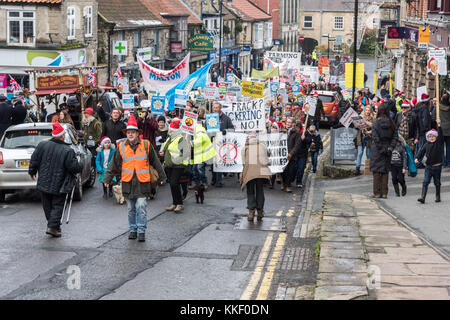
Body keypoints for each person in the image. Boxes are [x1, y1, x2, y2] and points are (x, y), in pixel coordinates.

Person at [103, 114, 166, 242]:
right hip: (128, 182)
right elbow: (113, 164)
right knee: (131, 208)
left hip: (142, 182)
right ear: (126, 134)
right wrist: (107, 179)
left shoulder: (146, 145)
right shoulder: (121, 147)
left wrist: (162, 176)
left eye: (133, 132)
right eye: (128, 132)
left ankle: (141, 230)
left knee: (141, 206)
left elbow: (156, 162)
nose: (130, 134)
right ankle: (133, 229)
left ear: (137, 133)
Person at [28, 122, 83, 237]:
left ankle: (53, 225)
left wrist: (32, 171)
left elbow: (34, 159)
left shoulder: (42, 145)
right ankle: (53, 227)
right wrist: (81, 163)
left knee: (47, 205)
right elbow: (74, 168)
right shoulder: (67, 150)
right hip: (60, 183)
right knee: (57, 205)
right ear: (63, 136)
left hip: (43, 181)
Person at [240, 132, 272, 222]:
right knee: (260, 190)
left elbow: (243, 163)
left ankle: (251, 213)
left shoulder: (245, 148)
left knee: (250, 191)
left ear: (248, 139)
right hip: (261, 173)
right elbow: (269, 154)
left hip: (250, 173)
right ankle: (260, 212)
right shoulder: (262, 145)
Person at [370, 104, 398, 198]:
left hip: (377, 149)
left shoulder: (375, 123)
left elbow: (375, 137)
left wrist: (381, 148)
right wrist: (390, 147)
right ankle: (384, 193)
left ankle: (376, 192)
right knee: (385, 171)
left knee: (376, 171)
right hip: (388, 148)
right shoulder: (392, 123)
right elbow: (395, 136)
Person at [161, 119, 189, 213]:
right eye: (170, 130)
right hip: (170, 165)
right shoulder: (170, 138)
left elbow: (185, 152)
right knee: (172, 185)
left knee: (174, 183)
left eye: (171, 130)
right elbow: (166, 149)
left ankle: (179, 204)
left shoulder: (180, 139)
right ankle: (174, 203)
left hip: (178, 165)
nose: (169, 131)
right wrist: (163, 155)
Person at [415, 120, 444, 204]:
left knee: (437, 182)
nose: (431, 138)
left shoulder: (438, 143)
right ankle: (423, 197)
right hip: (428, 167)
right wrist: (417, 157)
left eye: (433, 136)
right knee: (425, 181)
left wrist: (439, 126)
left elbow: (441, 136)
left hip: (437, 166)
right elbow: (421, 152)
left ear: (436, 137)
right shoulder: (426, 144)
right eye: (429, 136)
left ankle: (438, 196)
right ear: (427, 137)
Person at [211, 102, 234, 187]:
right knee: (213, 162)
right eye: (214, 108)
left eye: (217, 108)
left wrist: (226, 131)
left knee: (219, 162)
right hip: (212, 142)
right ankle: (214, 179)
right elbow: (206, 128)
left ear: (220, 108)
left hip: (222, 144)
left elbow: (232, 129)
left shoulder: (226, 118)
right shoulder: (210, 117)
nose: (215, 109)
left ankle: (219, 180)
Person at [190, 122, 215, 190]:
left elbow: (201, 139)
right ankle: (197, 183)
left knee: (200, 169)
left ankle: (204, 183)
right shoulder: (192, 130)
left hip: (205, 154)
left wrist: (191, 143)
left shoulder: (199, 129)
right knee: (194, 169)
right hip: (199, 154)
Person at [282, 118, 301, 193]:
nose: (288, 123)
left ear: (293, 124)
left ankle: (288, 185)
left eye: (290, 122)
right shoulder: (282, 131)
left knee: (290, 171)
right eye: (287, 122)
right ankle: (284, 182)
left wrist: (291, 153)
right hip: (283, 154)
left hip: (292, 156)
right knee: (283, 171)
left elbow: (297, 145)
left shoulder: (296, 133)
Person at [432, 92, 450, 167]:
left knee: (441, 146)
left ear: (442, 99)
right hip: (449, 129)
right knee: (449, 146)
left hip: (440, 129)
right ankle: (449, 162)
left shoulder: (437, 107)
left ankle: (443, 162)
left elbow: (433, 117)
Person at [414, 94, 433, 168]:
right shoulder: (425, 109)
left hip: (419, 131)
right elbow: (425, 121)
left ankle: (416, 161)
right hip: (423, 131)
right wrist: (426, 130)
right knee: (422, 148)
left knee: (419, 147)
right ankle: (417, 163)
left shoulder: (419, 108)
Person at [355, 106, 375, 175]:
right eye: (366, 110)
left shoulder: (373, 118)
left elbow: (375, 127)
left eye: (368, 110)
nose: (367, 112)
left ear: (370, 111)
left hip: (369, 138)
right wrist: (356, 125)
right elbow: (356, 126)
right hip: (361, 137)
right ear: (364, 110)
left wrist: (370, 131)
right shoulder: (360, 117)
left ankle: (368, 168)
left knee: (368, 154)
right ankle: (357, 168)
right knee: (360, 152)